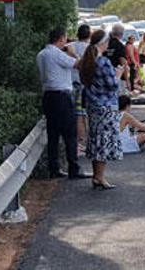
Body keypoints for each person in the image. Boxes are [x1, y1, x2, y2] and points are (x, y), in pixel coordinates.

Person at [36, 27, 90, 180]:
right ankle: (74, 168)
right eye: (65, 39)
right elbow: (79, 65)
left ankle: (54, 168)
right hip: (62, 96)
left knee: (52, 134)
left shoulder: (41, 54)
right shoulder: (58, 54)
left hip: (48, 96)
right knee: (69, 134)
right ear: (60, 39)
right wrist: (73, 53)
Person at [80, 29, 124, 190]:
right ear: (103, 44)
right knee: (104, 141)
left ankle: (96, 175)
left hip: (92, 105)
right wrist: (118, 74)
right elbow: (112, 85)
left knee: (95, 140)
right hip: (105, 106)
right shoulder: (103, 61)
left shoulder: (87, 60)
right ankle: (100, 176)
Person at [71, 24, 92, 155]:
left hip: (71, 83)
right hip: (84, 85)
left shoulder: (70, 46)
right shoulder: (90, 49)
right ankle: (83, 143)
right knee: (83, 115)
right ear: (89, 35)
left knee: (76, 115)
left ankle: (79, 142)